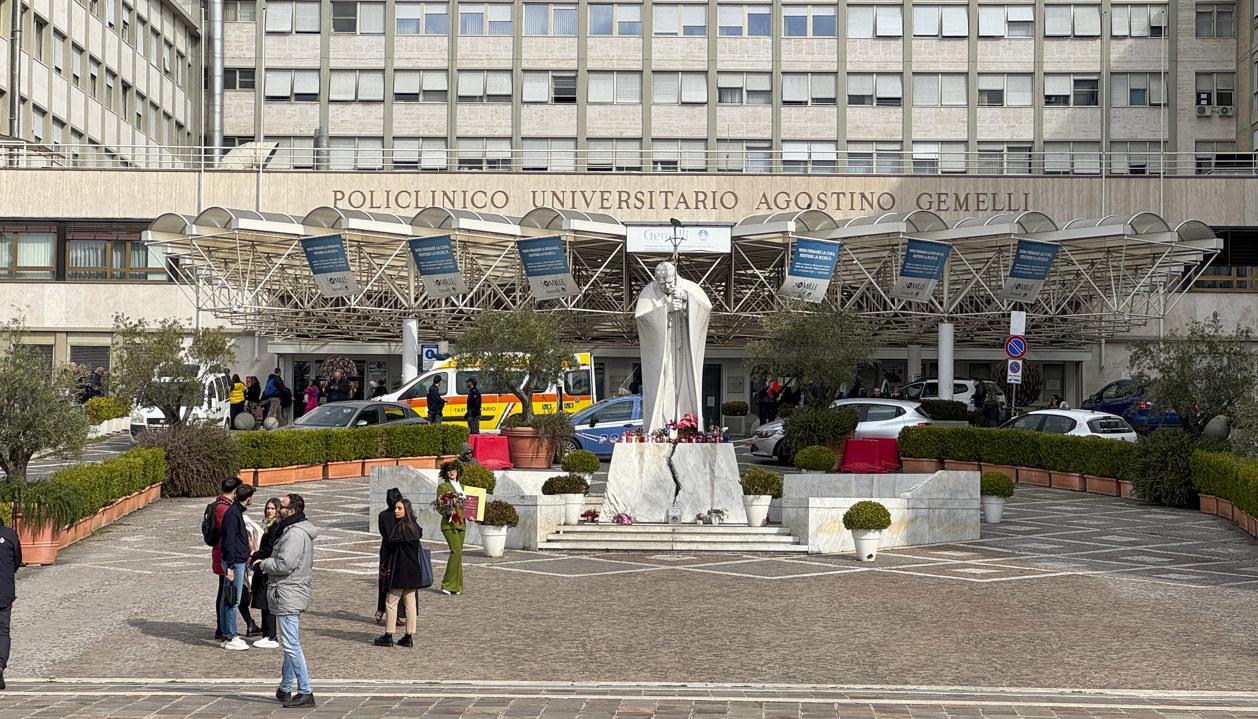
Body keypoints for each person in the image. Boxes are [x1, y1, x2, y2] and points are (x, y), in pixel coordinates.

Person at [255, 493, 318, 708]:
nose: (277, 509)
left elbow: (285, 564)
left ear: (291, 510)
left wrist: (263, 564)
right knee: (291, 642)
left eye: (281, 506)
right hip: (289, 591)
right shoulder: (293, 530)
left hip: (288, 591)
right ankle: (285, 687)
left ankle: (305, 691)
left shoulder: (294, 535)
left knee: (291, 644)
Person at [634, 261, 713, 432]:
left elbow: (706, 309)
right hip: (663, 352)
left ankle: (687, 423)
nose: (666, 286)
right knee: (665, 383)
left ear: (675, 277)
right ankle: (660, 426)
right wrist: (666, 310)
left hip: (684, 349)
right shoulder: (648, 292)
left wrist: (687, 300)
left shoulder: (691, 288)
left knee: (685, 381)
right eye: (661, 283)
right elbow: (642, 318)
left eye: (669, 282)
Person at [374, 498, 423, 648]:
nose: (396, 511)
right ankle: (409, 636)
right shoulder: (415, 528)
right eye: (395, 508)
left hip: (399, 570)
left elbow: (390, 547)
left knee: (391, 602)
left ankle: (388, 634)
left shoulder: (398, 530)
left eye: (399, 508)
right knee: (410, 603)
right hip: (413, 571)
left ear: (406, 510)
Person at [218, 484, 256, 651]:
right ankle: (232, 635)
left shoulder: (233, 512)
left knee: (228, 598)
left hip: (234, 561)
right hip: (235, 562)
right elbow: (229, 542)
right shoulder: (233, 514)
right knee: (233, 599)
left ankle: (227, 632)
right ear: (247, 498)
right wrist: (231, 567)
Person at [210, 477, 242, 641]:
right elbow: (229, 534)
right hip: (225, 555)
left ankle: (223, 628)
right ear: (235, 491)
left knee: (224, 590)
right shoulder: (225, 509)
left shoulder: (218, 504)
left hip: (220, 553)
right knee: (227, 593)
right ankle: (224, 629)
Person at [250, 498, 282, 649]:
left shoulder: (275, 527)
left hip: (267, 566)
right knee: (264, 603)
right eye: (267, 508)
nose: (269, 511)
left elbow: (269, 548)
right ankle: (267, 633)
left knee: (267, 603)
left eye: (272, 509)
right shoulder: (270, 525)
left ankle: (271, 635)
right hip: (264, 564)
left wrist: (255, 555)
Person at [375, 488, 405, 625]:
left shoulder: (382, 515)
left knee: (383, 580)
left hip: (385, 550)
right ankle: (395, 615)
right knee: (397, 583)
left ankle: (380, 609)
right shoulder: (401, 514)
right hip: (398, 551)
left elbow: (382, 532)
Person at [436, 462, 466, 595]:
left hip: (462, 524)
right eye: (449, 471)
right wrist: (448, 509)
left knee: (459, 554)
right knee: (456, 551)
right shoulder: (443, 487)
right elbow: (440, 506)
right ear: (445, 473)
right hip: (449, 524)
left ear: (458, 471)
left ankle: (457, 586)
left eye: (454, 470)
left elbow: (470, 505)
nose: (451, 472)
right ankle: (447, 584)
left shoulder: (463, 487)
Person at [0, 514, 21, 690]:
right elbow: (17, 560)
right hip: (4, 592)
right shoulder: (10, 535)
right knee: (3, 631)